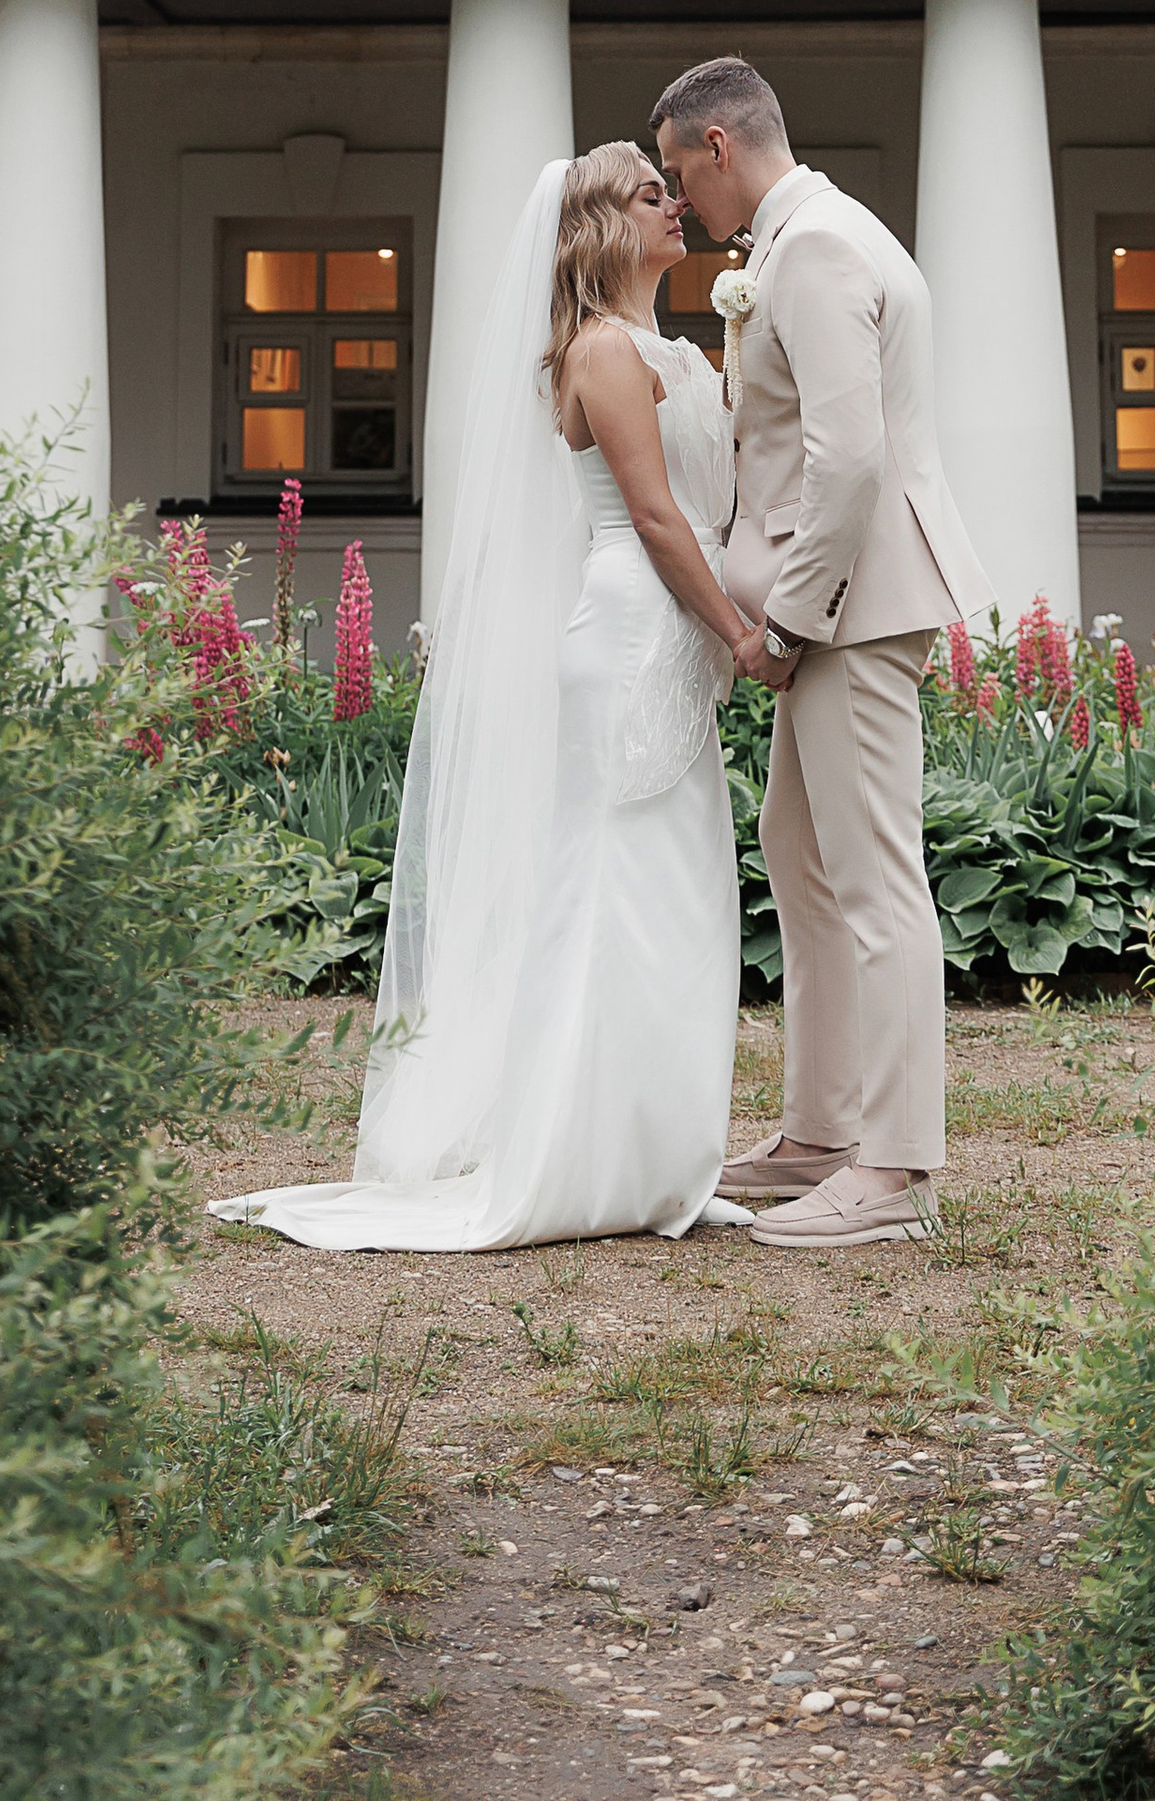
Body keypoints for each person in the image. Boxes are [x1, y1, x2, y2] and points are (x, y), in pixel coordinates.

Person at [214, 144, 764, 1250]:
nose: (675, 206)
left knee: (680, 890)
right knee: (611, 885)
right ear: (604, 225)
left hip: (670, 624)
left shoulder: (678, 345)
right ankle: (577, 1155)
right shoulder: (602, 355)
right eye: (652, 197)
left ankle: (651, 1150)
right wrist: (742, 636)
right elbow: (656, 520)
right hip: (629, 625)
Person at [652, 55, 990, 1251]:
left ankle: (893, 1173)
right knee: (796, 849)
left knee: (874, 876)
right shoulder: (809, 239)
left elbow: (848, 459)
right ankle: (819, 1132)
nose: (679, 203)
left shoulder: (818, 249)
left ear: (715, 145)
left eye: (676, 173)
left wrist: (789, 619)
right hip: (840, 596)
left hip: (850, 602)